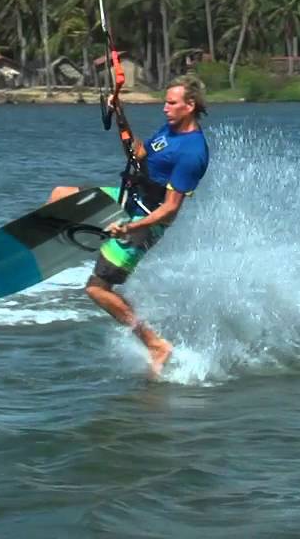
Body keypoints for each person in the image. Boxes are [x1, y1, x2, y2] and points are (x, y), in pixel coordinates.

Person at [47, 75, 210, 378]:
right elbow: (137, 155)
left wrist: (129, 228)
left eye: (171, 103)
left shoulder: (192, 152)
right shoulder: (170, 131)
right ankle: (65, 246)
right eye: (165, 101)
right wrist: (119, 113)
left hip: (144, 223)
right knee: (60, 195)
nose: (164, 108)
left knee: (97, 289)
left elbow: (170, 209)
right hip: (125, 200)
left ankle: (155, 344)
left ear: (190, 106)